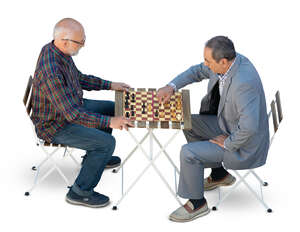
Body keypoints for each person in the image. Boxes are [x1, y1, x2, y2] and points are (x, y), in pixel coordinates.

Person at [157, 36, 269, 222]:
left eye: (208, 61)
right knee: (188, 122)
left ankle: (197, 203)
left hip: (245, 145)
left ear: (223, 61)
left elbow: (250, 128)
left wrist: (228, 143)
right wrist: (171, 86)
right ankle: (219, 174)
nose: (205, 64)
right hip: (231, 124)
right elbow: (196, 71)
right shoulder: (230, 63)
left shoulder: (243, 83)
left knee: (188, 152)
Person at [31, 18, 133, 208]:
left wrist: (110, 85)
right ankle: (80, 192)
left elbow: (79, 78)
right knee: (107, 142)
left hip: (68, 107)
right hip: (55, 124)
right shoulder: (51, 71)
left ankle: (96, 157)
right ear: (64, 41)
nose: (83, 46)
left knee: (112, 108)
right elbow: (73, 115)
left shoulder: (57, 50)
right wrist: (110, 122)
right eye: (81, 42)